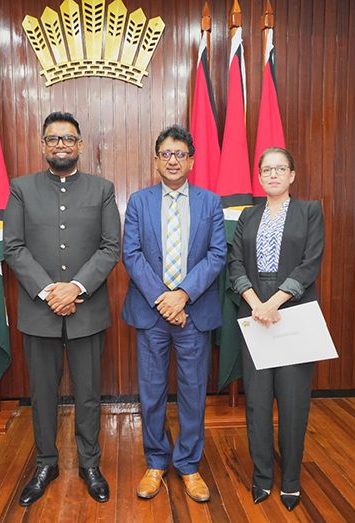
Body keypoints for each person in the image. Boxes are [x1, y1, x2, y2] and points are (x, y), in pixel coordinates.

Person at [3, 111, 121, 505]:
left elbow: (110, 247)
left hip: (87, 309)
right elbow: (13, 247)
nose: (61, 145)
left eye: (68, 139)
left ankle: (90, 462)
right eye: (53, 139)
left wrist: (75, 288)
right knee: (42, 394)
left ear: (80, 145)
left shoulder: (102, 189)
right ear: (43, 145)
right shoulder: (21, 188)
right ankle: (46, 462)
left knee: (88, 393)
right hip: (40, 311)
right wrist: (49, 291)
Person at [121, 125, 226, 502]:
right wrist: (162, 299)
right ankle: (155, 461)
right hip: (151, 313)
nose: (173, 160)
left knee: (193, 392)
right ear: (156, 160)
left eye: (180, 154)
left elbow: (217, 255)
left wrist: (181, 296)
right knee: (150, 393)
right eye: (166, 154)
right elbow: (130, 254)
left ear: (191, 161)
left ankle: (188, 464)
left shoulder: (211, 202)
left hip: (193, 313)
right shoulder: (139, 201)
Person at [227, 147, 325, 511]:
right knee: (256, 401)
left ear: (292, 175)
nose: (272, 174)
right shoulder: (247, 217)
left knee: (294, 402)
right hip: (255, 314)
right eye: (266, 169)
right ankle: (262, 478)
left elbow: (310, 263)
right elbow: (235, 265)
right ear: (259, 175)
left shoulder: (310, 211)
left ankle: (292, 481)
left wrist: (274, 303)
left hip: (293, 311)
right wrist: (256, 304)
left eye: (279, 168)